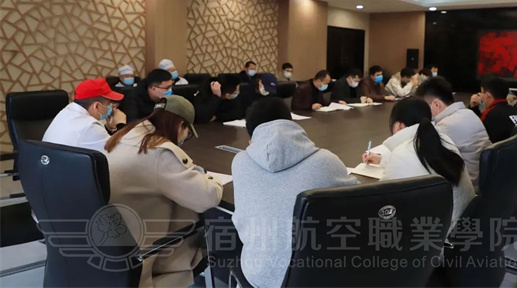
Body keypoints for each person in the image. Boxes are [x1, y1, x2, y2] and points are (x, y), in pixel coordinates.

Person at [232, 97, 357, 288]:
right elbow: (360, 200)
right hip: (315, 277)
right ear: (291, 123)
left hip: (257, 276)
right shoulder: (326, 161)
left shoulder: (239, 162)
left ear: (251, 140)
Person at [104, 95, 222, 287]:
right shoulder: (160, 152)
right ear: (181, 125)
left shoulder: (125, 135)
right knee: (212, 233)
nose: (184, 139)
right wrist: (207, 177)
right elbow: (208, 197)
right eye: (187, 133)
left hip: (114, 243)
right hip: (146, 253)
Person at [363, 97, 475, 233]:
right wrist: (383, 159)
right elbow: (423, 161)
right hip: (463, 227)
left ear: (399, 126)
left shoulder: (401, 154)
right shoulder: (445, 141)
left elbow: (380, 204)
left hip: (434, 238)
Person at [415, 77, 491, 191]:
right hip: (484, 181)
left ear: (436, 104)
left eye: (425, 107)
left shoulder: (444, 126)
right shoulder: (469, 113)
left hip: (467, 189)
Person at [43, 78, 127, 153]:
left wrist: (109, 128)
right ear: (96, 106)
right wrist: (121, 125)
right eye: (109, 103)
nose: (112, 108)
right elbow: (123, 154)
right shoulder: (89, 126)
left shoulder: (68, 110)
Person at [469, 76, 517, 143]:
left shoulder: (490, 114)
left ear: (487, 95)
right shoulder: (516, 111)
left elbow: (474, 136)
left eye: (482, 93)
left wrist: (473, 109)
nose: (480, 96)